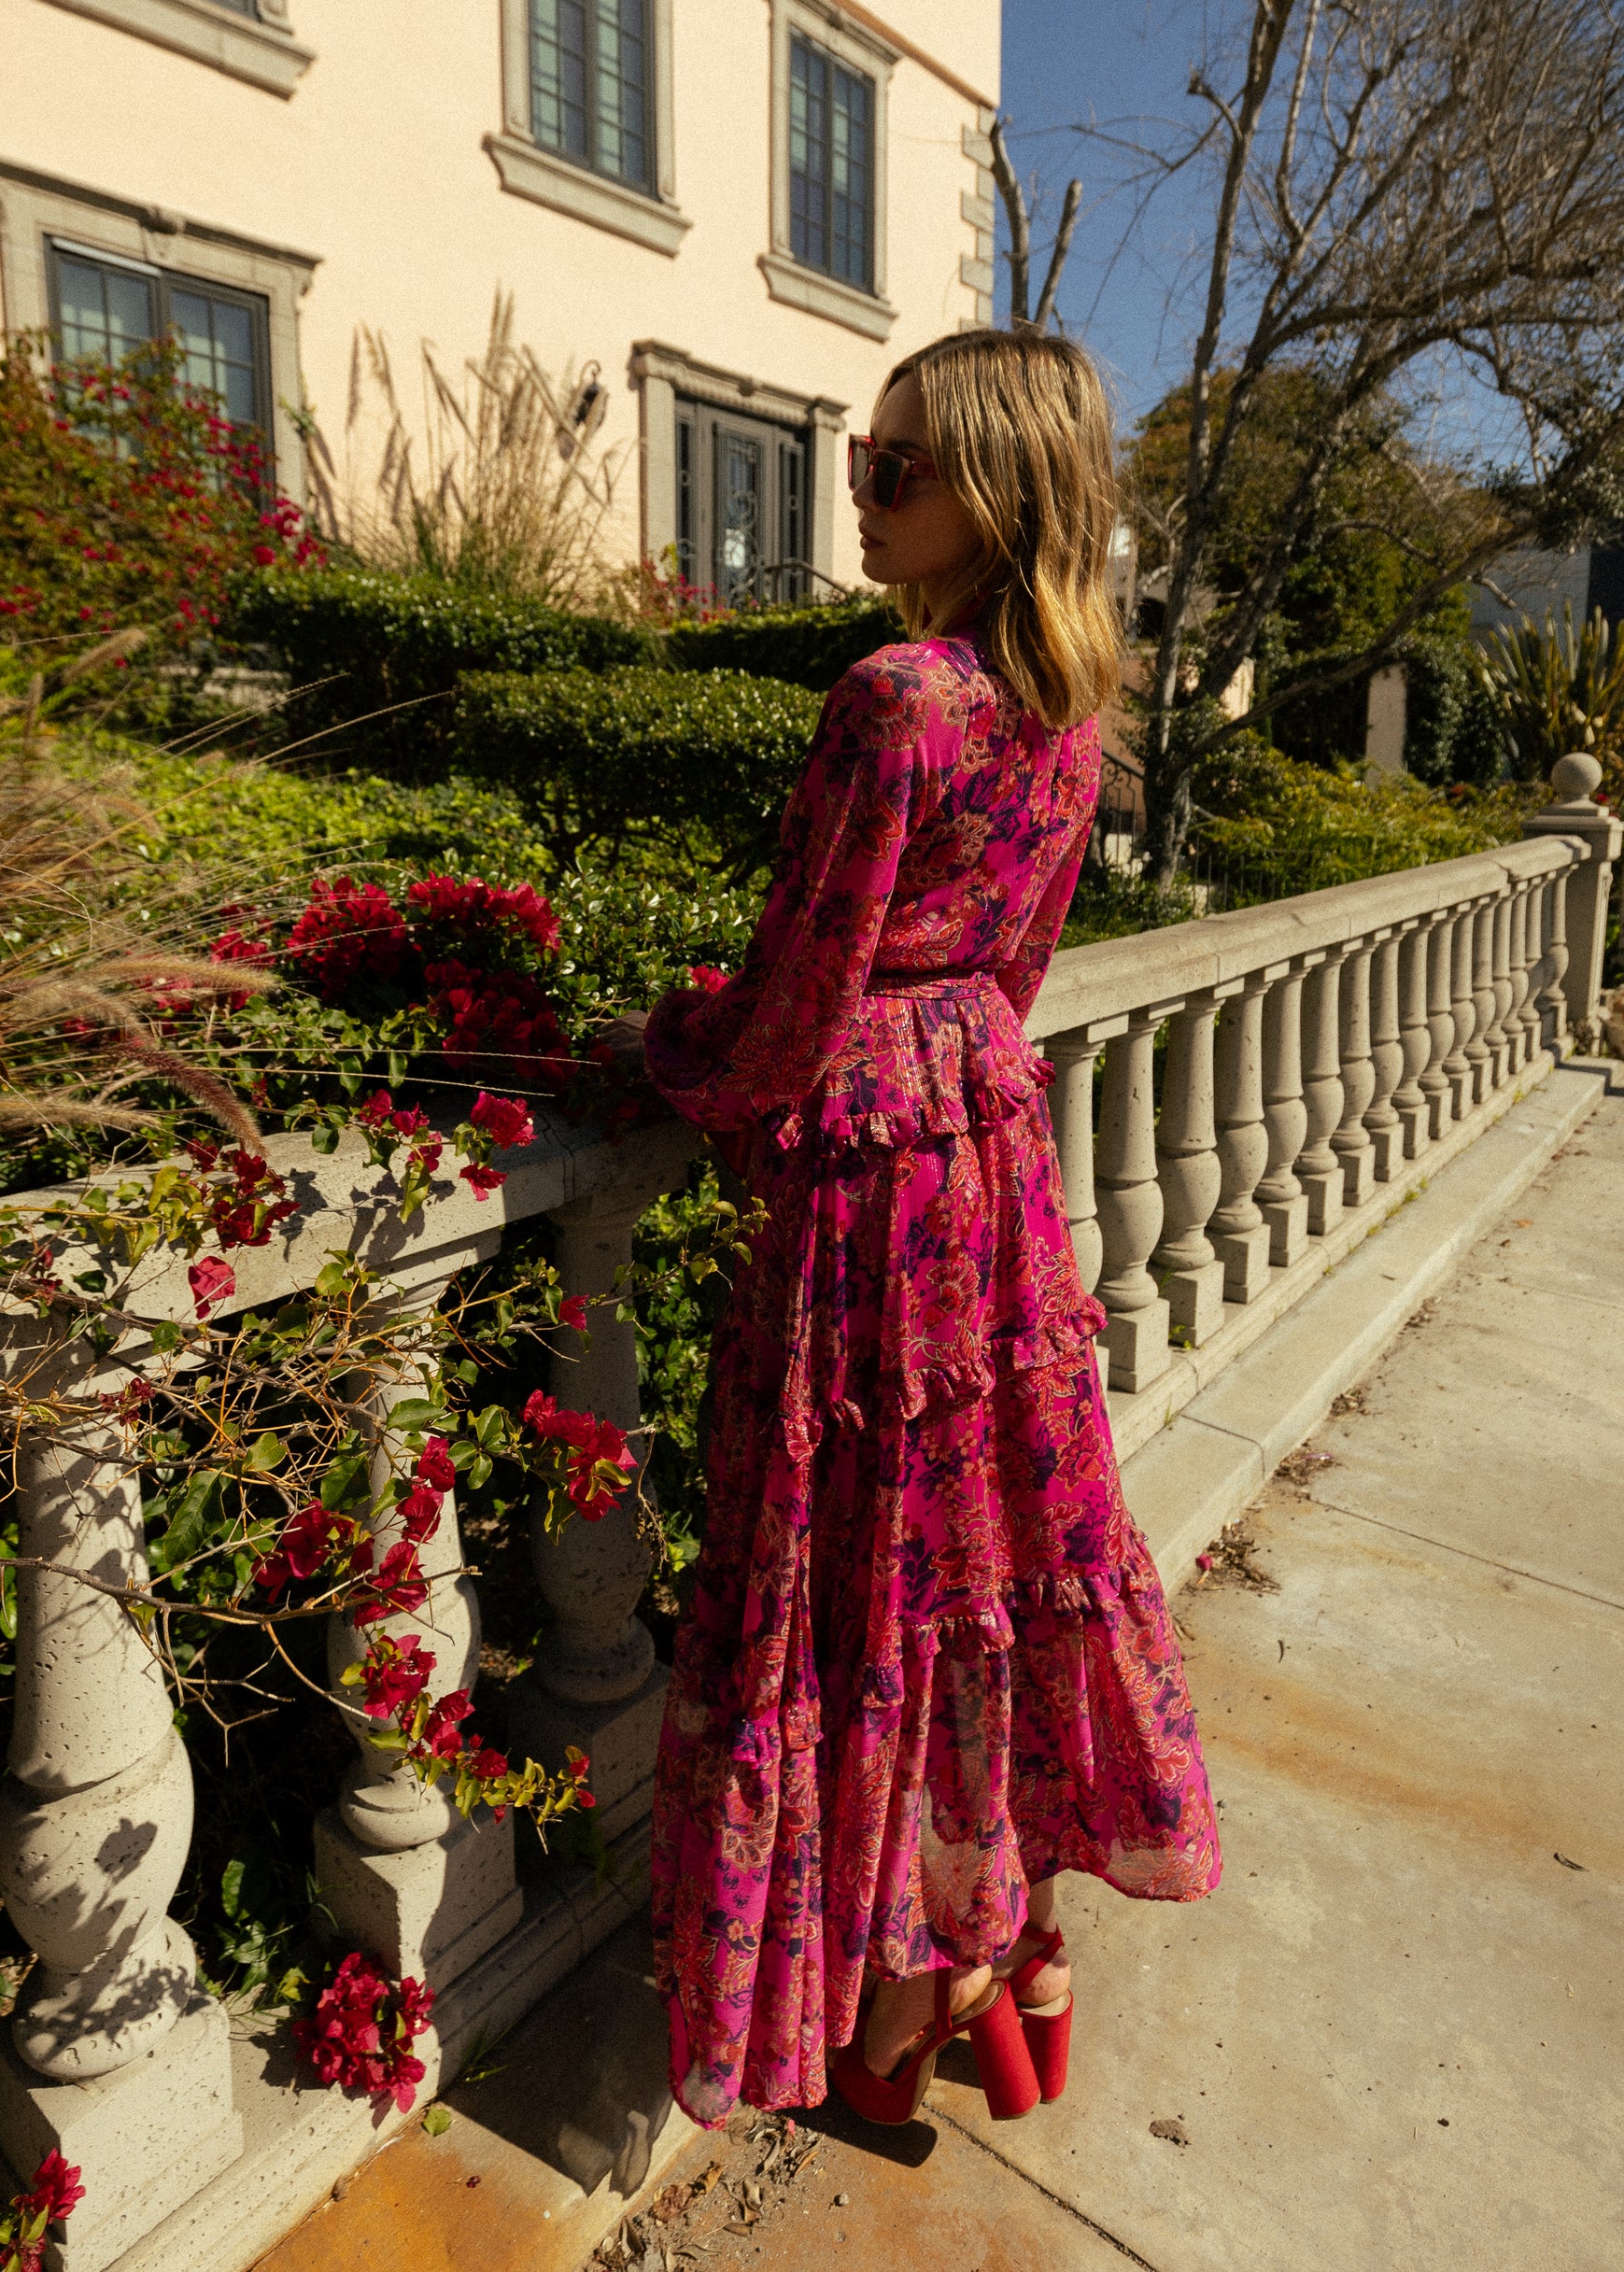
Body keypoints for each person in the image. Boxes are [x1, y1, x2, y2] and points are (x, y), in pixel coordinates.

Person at [630, 327, 1222, 2131]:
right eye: (862, 462)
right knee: (971, 1562)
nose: (861, 495)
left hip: (871, 1181)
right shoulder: (1068, 707)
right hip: (983, 1141)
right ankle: (996, 1939)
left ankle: (897, 2007)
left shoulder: (898, 697)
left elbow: (797, 991)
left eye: (895, 467)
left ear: (994, 488)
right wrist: (950, 1059)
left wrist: (660, 1048)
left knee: (850, 1572)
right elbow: (1017, 966)